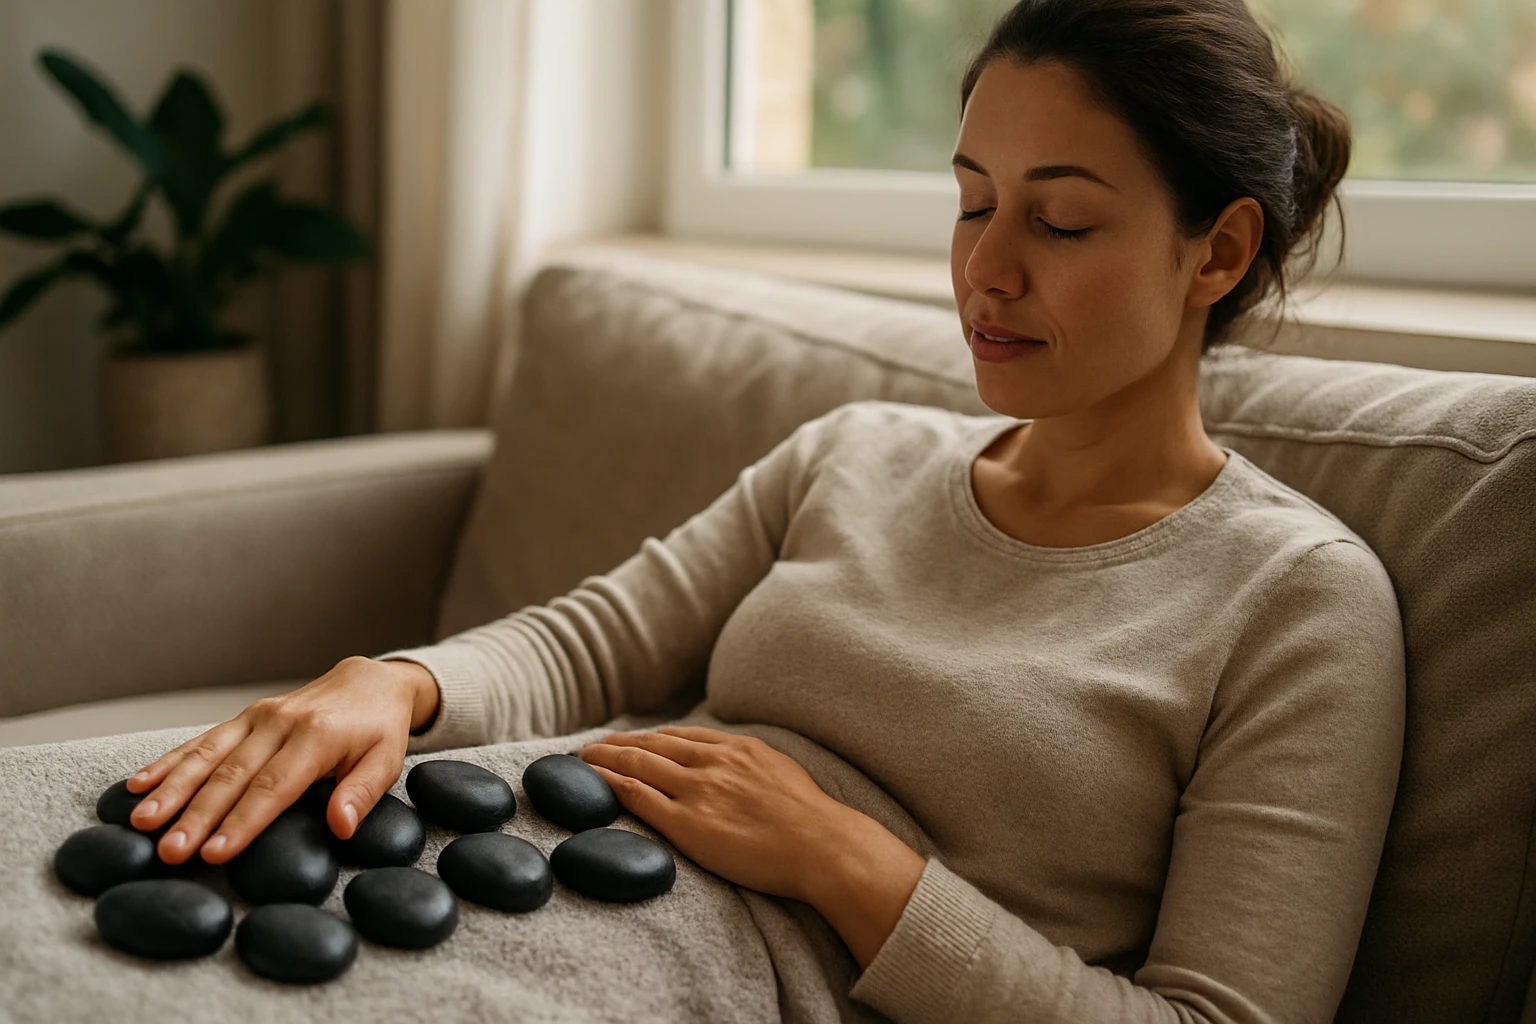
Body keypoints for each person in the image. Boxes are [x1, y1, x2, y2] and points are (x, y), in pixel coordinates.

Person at [119, 1, 1405, 1020]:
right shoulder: (858, 452)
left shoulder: (1295, 602)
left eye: (1059, 221)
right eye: (970, 202)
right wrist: (393, 685)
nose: (985, 270)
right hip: (482, 844)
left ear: (1218, 252)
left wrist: (849, 863)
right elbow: (591, 646)